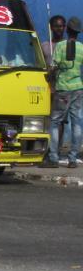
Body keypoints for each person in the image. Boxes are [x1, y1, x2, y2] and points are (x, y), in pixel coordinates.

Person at [44, 16, 83, 168]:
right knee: (77, 124)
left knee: (55, 122)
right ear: (78, 32)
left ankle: (53, 157)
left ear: (67, 30)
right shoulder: (81, 47)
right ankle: (72, 159)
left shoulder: (60, 47)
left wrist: (49, 74)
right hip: (78, 88)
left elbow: (52, 66)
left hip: (62, 89)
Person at [43, 14, 66, 157]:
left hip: (62, 87)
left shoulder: (67, 46)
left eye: (62, 26)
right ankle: (46, 148)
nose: (60, 29)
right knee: (47, 119)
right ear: (51, 28)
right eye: (57, 26)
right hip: (46, 88)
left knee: (60, 121)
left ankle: (55, 150)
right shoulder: (45, 46)